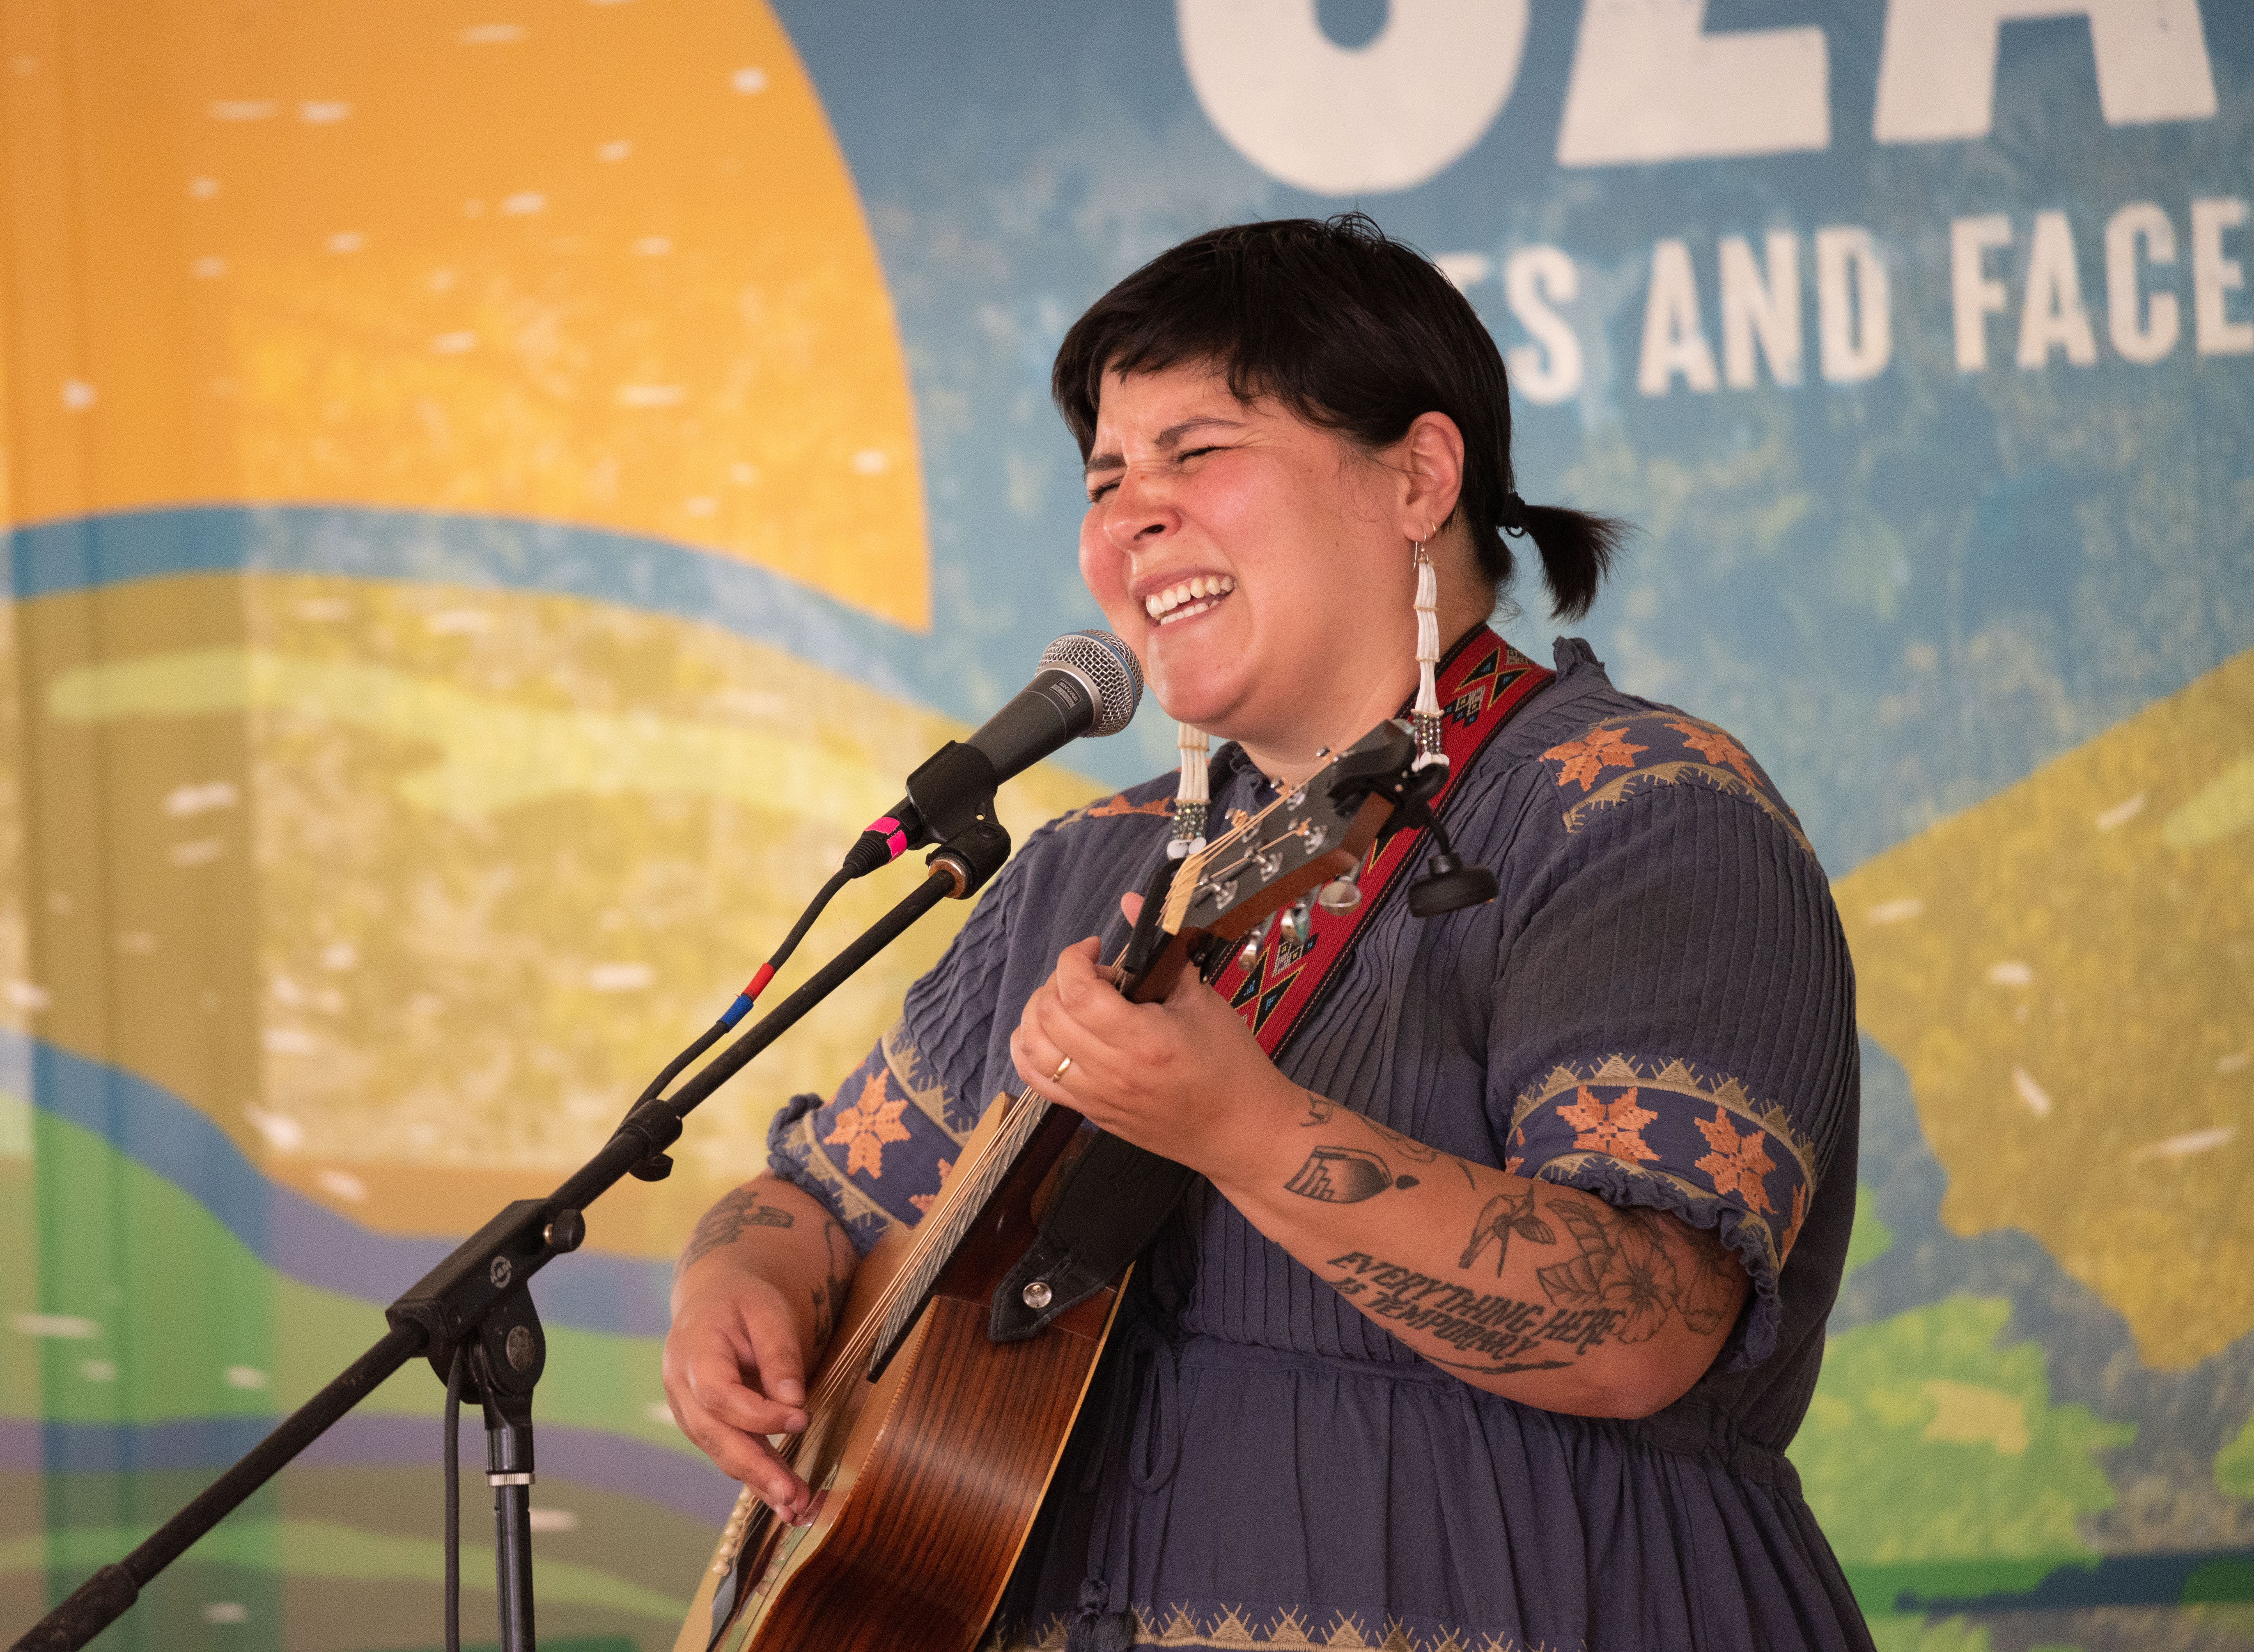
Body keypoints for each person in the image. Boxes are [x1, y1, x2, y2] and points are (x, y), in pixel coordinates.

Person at [661, 214, 1871, 1652]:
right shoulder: (1081, 870)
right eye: (1106, 478)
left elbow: (1642, 1324)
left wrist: (1245, 1129)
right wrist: (736, 1287)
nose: (1131, 516)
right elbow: (817, 1202)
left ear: (1419, 475)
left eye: (1197, 452)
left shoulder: (1637, 810)